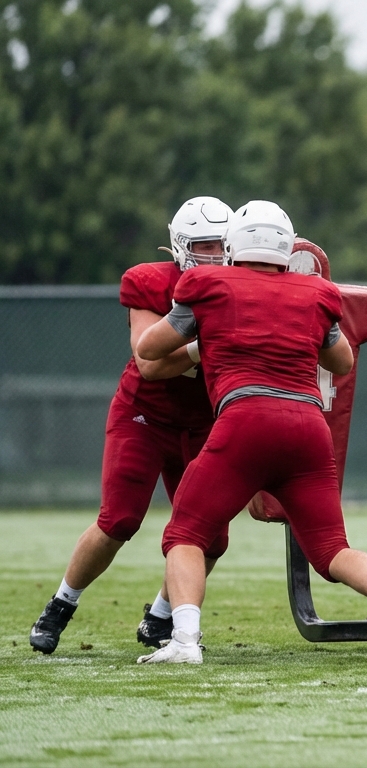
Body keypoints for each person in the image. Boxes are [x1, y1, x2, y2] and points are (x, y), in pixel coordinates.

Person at [133, 200, 367, 663]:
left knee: (185, 536)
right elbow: (342, 361)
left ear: (235, 242)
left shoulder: (209, 284)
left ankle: (184, 642)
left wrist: (209, 333)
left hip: (245, 421)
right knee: (333, 551)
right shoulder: (313, 292)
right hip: (308, 427)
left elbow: (150, 349)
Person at [29, 197, 230, 655]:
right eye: (204, 245)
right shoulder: (150, 282)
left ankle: (159, 616)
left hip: (203, 421)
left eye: (221, 245)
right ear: (180, 247)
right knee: (119, 519)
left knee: (212, 537)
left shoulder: (240, 286)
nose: (215, 256)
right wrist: (204, 345)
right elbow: (150, 365)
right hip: (145, 415)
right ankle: (61, 605)